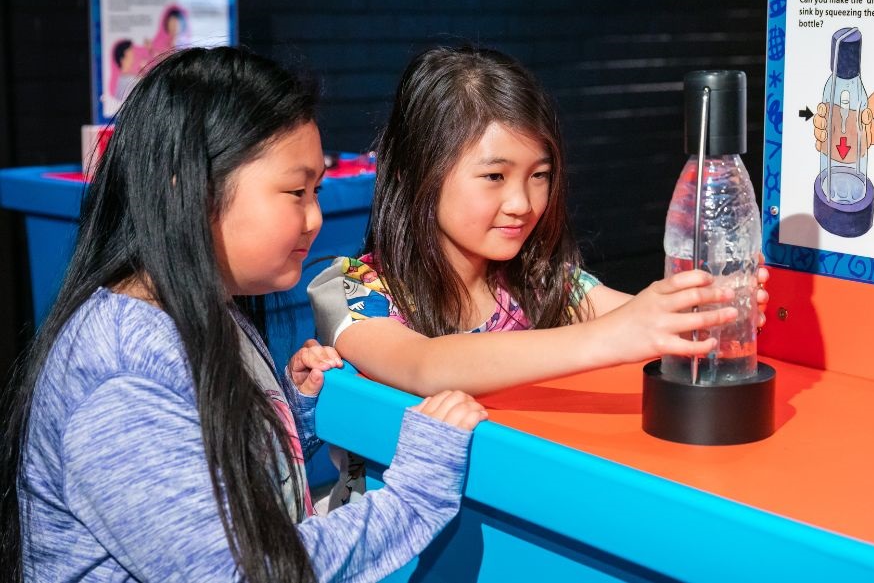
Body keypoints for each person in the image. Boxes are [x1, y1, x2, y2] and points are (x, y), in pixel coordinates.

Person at [1, 47, 486, 583]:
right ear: (190, 192)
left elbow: (207, 475)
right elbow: (242, 571)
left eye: (317, 191)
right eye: (295, 192)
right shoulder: (120, 376)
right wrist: (417, 493)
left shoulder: (201, 309)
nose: (315, 218)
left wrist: (287, 416)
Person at [308, 45, 771, 398]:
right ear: (416, 172)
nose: (522, 203)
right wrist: (620, 334)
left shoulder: (543, 282)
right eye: (494, 175)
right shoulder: (354, 291)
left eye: (539, 175)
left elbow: (641, 319)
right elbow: (425, 366)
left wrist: (709, 313)